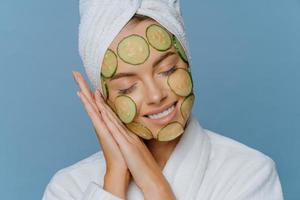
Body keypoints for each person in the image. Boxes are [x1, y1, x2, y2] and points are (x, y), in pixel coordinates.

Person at [42, 0, 284, 199]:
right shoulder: (68, 188)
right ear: (103, 99)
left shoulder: (250, 172)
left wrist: (156, 187)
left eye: (167, 70)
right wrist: (114, 177)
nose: (156, 95)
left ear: (187, 61)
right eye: (127, 87)